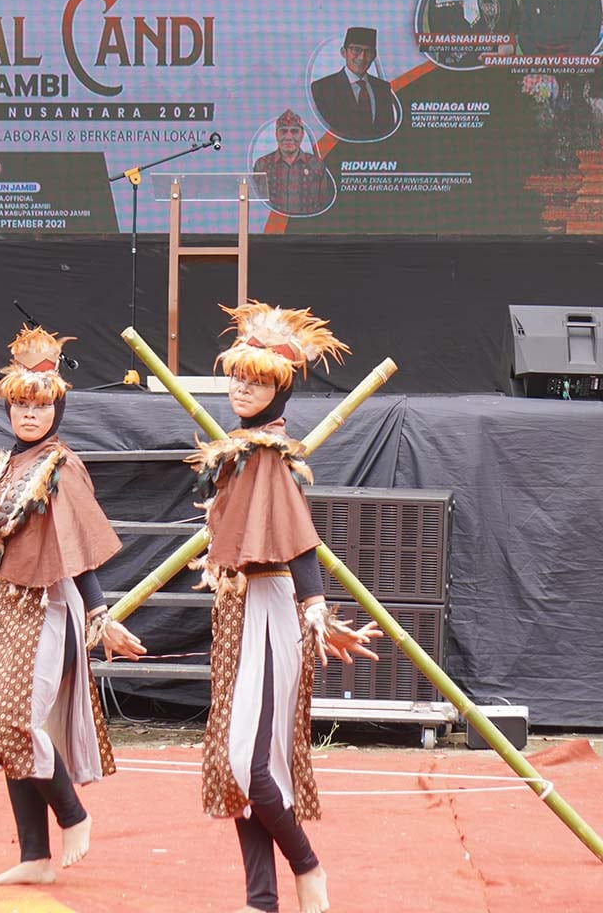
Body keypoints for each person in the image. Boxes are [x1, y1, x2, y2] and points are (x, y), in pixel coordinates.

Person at [187, 301, 382, 913]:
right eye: (237, 376)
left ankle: (307, 865)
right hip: (235, 611)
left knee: (250, 761)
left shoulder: (270, 455)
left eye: (258, 380)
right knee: (238, 763)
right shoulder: (242, 450)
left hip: (269, 611)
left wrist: (316, 607)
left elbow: (298, 539)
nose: (242, 388)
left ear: (281, 388)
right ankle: (261, 898)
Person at [0, 324, 145, 887]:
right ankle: (34, 856)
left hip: (48, 604)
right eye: (21, 405)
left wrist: (98, 614)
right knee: (2, 728)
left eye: (40, 406)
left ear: (57, 409)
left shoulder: (61, 465)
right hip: (9, 604)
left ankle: (73, 815)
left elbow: (78, 548)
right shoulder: (8, 463)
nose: (29, 414)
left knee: (15, 722)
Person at [310, 27, 399, 140]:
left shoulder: (383, 88)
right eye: (356, 50)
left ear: (374, 56)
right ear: (343, 52)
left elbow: (388, 131)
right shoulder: (322, 88)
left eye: (368, 51)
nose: (362, 57)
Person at [254, 110, 331, 216]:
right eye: (283, 131)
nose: (289, 137)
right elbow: (256, 206)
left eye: (294, 131)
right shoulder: (262, 165)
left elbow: (325, 207)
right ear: (276, 135)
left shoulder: (316, 165)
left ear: (302, 135)